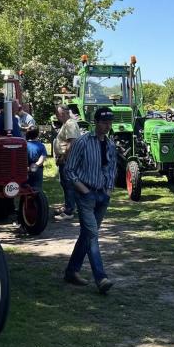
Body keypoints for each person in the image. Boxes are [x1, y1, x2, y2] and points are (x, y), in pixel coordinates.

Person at [63, 106, 117, 294]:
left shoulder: (110, 144)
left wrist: (109, 190)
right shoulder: (83, 142)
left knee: (87, 235)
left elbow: (111, 168)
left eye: (110, 122)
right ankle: (101, 278)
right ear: (96, 122)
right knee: (92, 235)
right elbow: (69, 170)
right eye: (104, 122)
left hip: (103, 195)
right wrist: (84, 190)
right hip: (86, 195)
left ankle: (71, 271)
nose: (107, 126)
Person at [53, 105, 80, 216]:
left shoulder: (70, 124)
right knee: (66, 184)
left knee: (68, 184)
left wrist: (64, 157)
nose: (56, 117)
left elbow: (71, 142)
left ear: (62, 114)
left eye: (57, 114)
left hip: (67, 160)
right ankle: (69, 205)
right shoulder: (67, 124)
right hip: (65, 159)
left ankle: (69, 210)